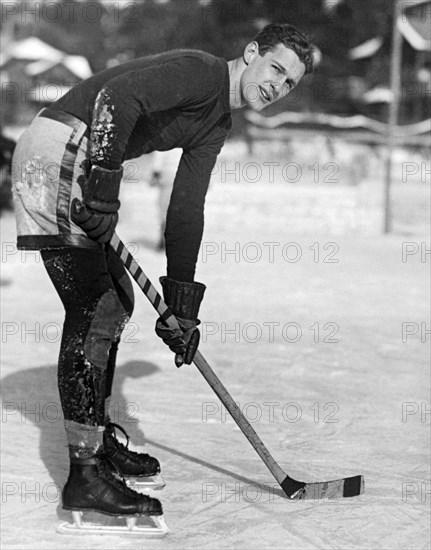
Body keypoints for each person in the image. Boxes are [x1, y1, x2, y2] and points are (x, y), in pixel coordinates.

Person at [11, 23, 315, 531]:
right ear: (251, 53)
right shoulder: (202, 73)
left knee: (117, 301)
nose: (277, 86)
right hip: (59, 152)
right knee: (97, 304)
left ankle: (96, 442)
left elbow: (186, 206)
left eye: (289, 83)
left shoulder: (217, 122)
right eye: (276, 68)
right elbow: (116, 98)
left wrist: (181, 301)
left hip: (78, 157)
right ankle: (84, 474)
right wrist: (105, 185)